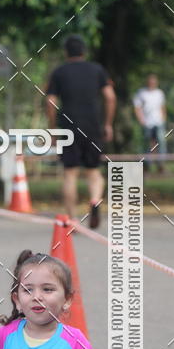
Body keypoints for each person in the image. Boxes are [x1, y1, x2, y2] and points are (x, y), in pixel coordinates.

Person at [46, 35, 116, 228]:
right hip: (92, 126)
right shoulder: (97, 70)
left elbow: (50, 101)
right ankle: (94, 201)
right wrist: (108, 124)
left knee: (70, 174)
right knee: (94, 172)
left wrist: (52, 129)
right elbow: (110, 97)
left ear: (66, 52)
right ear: (84, 51)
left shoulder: (59, 72)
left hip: (68, 128)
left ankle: (73, 220)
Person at [133, 74, 167, 173]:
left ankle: (161, 165)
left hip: (159, 122)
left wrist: (163, 119)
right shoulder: (141, 92)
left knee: (161, 142)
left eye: (154, 81)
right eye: (150, 81)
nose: (152, 83)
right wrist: (141, 120)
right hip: (147, 123)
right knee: (147, 144)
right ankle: (147, 164)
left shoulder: (160, 93)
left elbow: (162, 107)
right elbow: (137, 107)